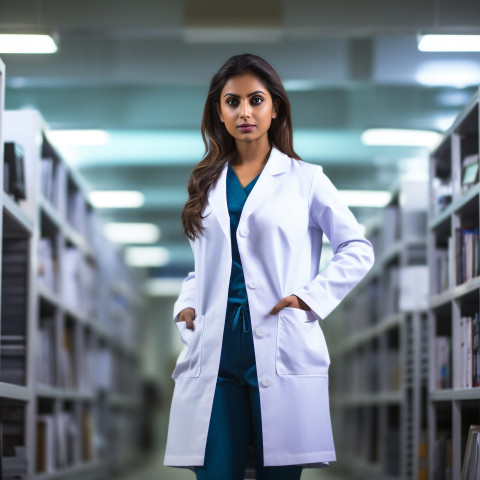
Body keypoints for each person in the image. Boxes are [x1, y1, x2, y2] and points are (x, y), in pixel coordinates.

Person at [164, 53, 374, 480]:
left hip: (279, 338)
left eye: (256, 100)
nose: (245, 112)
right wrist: (187, 305)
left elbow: (357, 247)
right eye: (232, 102)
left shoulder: (306, 179)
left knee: (277, 474)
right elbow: (201, 268)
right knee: (215, 471)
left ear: (274, 107)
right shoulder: (205, 183)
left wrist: (308, 299)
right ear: (218, 112)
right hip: (216, 347)